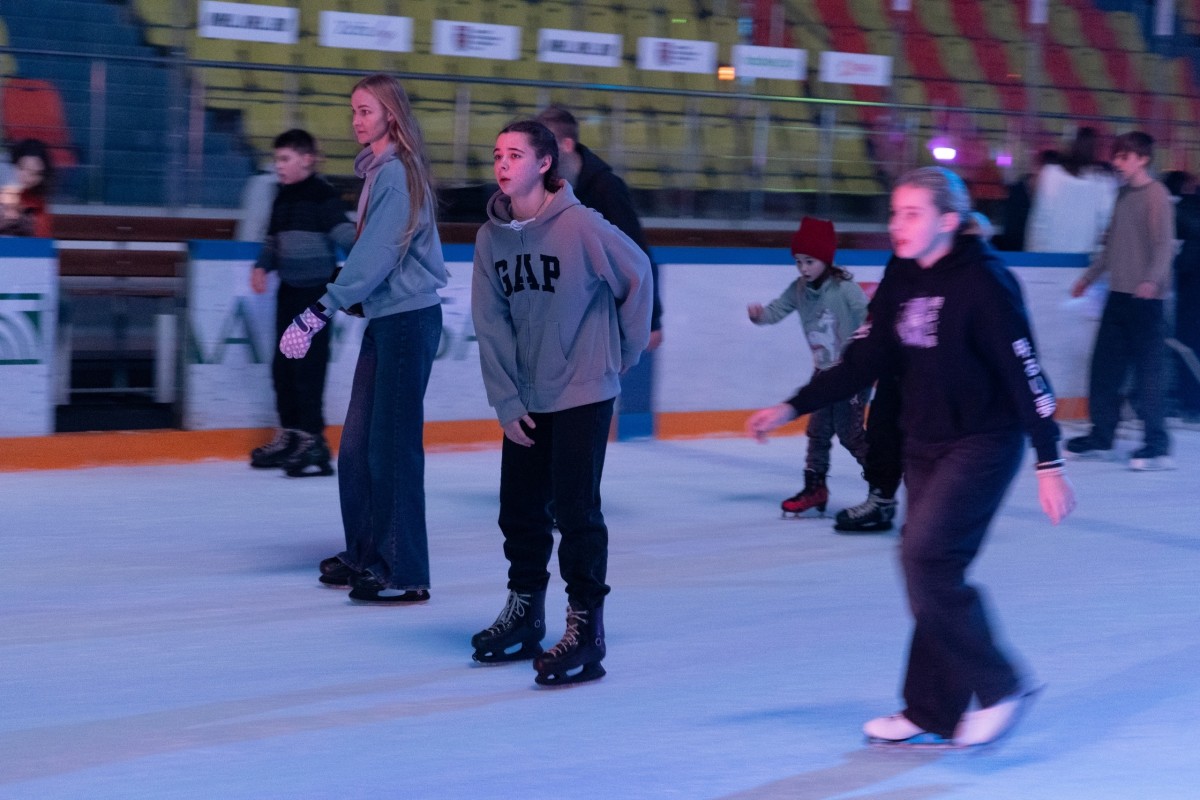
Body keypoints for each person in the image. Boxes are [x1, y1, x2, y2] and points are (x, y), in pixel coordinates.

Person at [746, 166, 1076, 748]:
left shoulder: (986, 283)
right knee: (930, 570)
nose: (897, 225)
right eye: (895, 213)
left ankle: (1001, 686)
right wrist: (791, 405)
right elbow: (863, 358)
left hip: (984, 442)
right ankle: (931, 710)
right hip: (925, 440)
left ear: (948, 221)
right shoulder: (901, 274)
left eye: (912, 214)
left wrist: (1050, 463)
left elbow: (1028, 374)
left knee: (926, 559)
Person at [469, 119, 652, 686]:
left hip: (582, 390)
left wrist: (621, 353)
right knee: (518, 512)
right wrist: (505, 398)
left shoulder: (581, 227)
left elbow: (638, 273)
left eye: (515, 154)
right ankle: (525, 614)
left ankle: (584, 631)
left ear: (544, 164)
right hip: (526, 397)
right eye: (498, 154)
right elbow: (489, 324)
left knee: (576, 513)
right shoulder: (490, 238)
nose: (502, 164)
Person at [280, 73, 448, 604]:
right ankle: (366, 553)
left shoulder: (397, 174)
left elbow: (377, 254)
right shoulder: (379, 171)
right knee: (355, 450)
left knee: (391, 452)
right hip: (388, 321)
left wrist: (319, 311)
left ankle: (403, 571)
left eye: (366, 111)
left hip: (407, 322)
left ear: (391, 115)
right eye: (353, 110)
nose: (357, 120)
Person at [747, 216, 872, 521]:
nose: (803, 268)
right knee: (817, 431)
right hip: (824, 371)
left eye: (810, 261)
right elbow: (779, 308)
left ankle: (882, 482)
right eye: (799, 261)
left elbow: (870, 316)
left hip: (853, 371)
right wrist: (761, 316)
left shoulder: (845, 289)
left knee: (850, 432)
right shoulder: (799, 289)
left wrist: (871, 332)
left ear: (826, 260)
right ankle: (815, 488)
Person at [1066, 131, 1176, 470]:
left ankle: (1156, 445)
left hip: (1147, 300)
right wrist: (1089, 276)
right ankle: (1102, 436)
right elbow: (1112, 246)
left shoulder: (1156, 195)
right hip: (1117, 296)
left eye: (1124, 157)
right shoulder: (1122, 195)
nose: (1117, 162)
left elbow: (1164, 245)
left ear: (1142, 159)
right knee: (1104, 371)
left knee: (1148, 376)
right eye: (1116, 156)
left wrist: (1150, 280)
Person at [249, 129, 356, 476]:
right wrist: (263, 266)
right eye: (276, 159)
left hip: (315, 296)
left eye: (285, 159)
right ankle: (292, 435)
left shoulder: (322, 195)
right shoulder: (281, 197)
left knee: (309, 368)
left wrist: (361, 266)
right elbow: (272, 240)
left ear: (307, 159)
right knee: (283, 367)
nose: (278, 165)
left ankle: (314, 441)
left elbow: (344, 236)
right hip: (288, 290)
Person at [1027, 127, 1117, 255]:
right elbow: (1107, 225)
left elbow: (1039, 221)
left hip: (1050, 256)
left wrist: (1035, 253)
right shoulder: (1103, 180)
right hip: (1085, 259)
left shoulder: (1051, 173)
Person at [1163, 171, 1200, 424]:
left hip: (1190, 290)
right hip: (1190, 286)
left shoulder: (1181, 210)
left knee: (1188, 341)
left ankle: (1191, 402)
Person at [0, 138, 53, 238]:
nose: (28, 177)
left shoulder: (38, 204)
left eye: (36, 173)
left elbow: (41, 241)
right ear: (12, 165)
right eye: (23, 169)